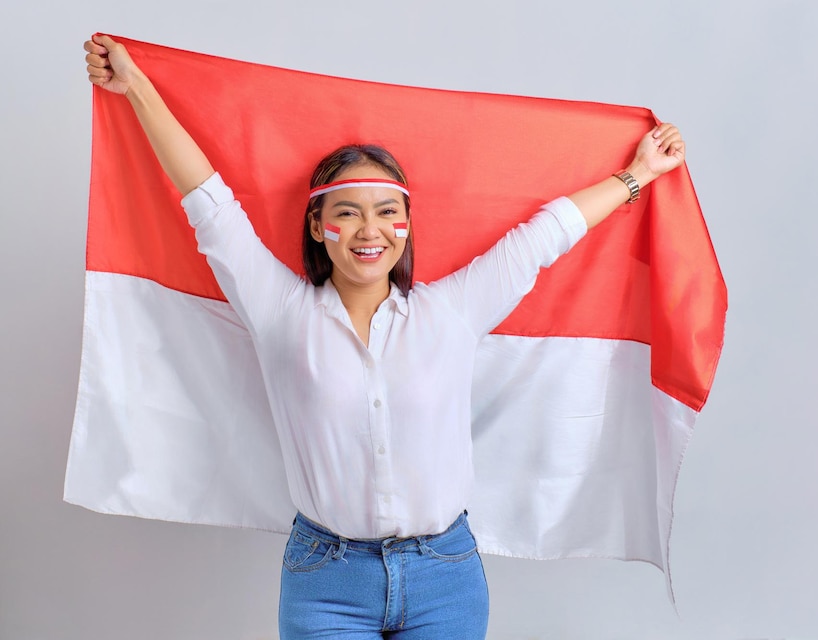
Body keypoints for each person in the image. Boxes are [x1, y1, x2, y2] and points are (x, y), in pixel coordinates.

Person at [84, 33, 686, 640]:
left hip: (444, 578)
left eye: (386, 211)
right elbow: (207, 201)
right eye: (346, 212)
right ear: (319, 227)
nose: (369, 229)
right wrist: (133, 85)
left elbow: (544, 235)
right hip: (327, 583)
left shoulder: (451, 311)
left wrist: (637, 175)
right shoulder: (280, 311)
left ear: (405, 227)